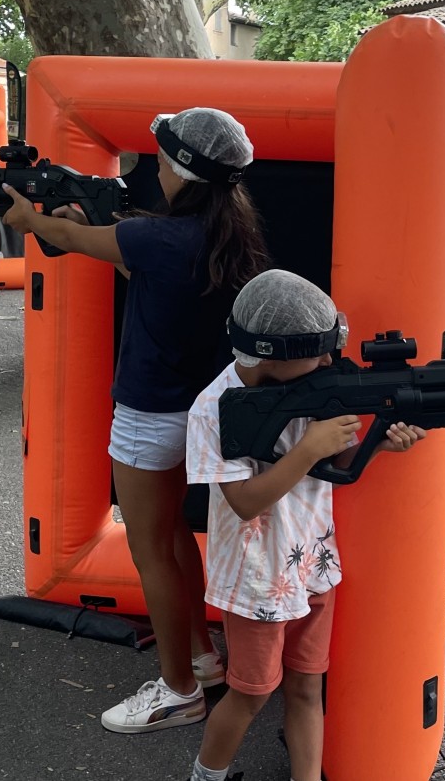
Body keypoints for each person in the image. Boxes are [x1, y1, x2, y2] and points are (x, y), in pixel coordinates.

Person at [0, 108, 271, 734]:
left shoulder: (156, 234)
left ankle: (178, 690)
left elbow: (75, 242)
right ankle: (202, 658)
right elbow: (138, 268)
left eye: (161, 158)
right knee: (173, 537)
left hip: (149, 414)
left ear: (181, 170)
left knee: (152, 552)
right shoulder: (221, 229)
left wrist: (30, 219)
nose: (154, 167)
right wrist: (75, 223)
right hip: (198, 411)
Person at [183, 269, 427, 781]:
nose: (327, 363)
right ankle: (206, 775)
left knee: (307, 686)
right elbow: (245, 502)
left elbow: (331, 469)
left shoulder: (311, 388)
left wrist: (377, 444)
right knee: (251, 693)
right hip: (256, 579)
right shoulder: (213, 408)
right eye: (315, 353)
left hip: (313, 565)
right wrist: (310, 446)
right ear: (270, 354)